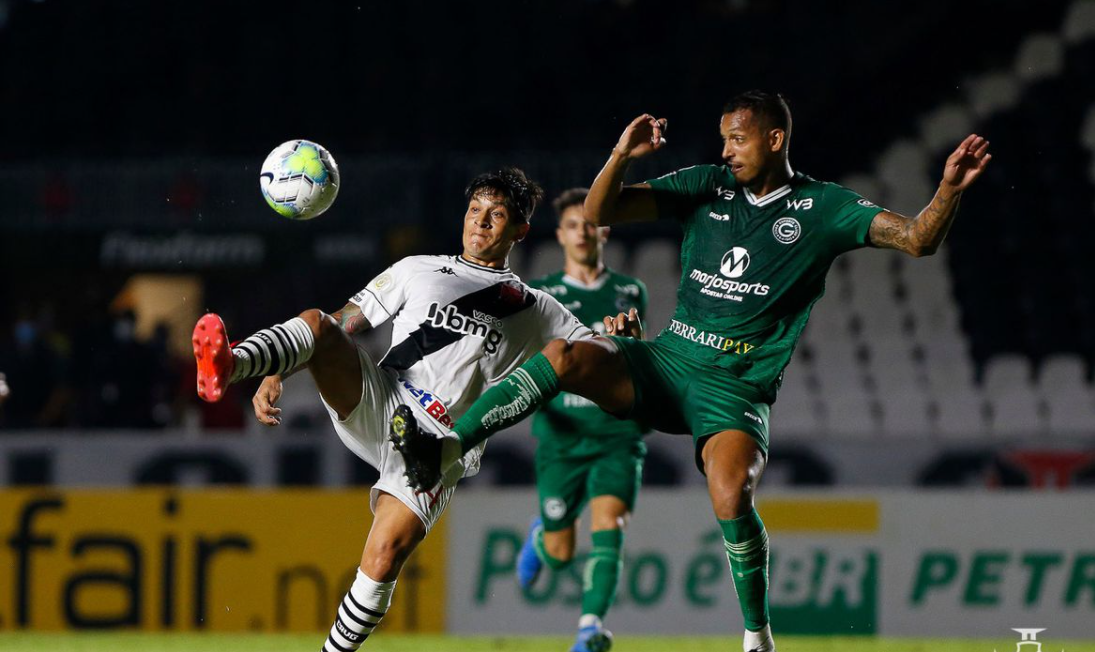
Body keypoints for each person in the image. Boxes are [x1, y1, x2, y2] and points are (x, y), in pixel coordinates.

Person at [390, 91, 992, 652]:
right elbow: (603, 211)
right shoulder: (707, 186)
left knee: (731, 493)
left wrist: (949, 191)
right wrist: (622, 155)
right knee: (564, 358)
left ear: (775, 139)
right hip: (669, 362)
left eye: (737, 139)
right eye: (723, 139)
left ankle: (757, 637)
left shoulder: (823, 207)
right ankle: (443, 449)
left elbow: (917, 240)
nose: (725, 150)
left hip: (734, 389)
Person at [191, 168, 635, 652]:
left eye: (497, 215)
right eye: (474, 211)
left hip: (436, 444)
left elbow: (591, 348)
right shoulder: (416, 268)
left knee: (384, 555)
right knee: (317, 324)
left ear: (519, 231)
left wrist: (617, 338)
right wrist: (279, 368)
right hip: (383, 400)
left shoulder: (537, 308)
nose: (480, 223)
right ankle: (231, 363)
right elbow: (344, 322)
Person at [515, 188, 649, 652]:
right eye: (573, 225)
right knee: (560, 554)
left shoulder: (631, 292)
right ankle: (542, 534)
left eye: (590, 224)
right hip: (562, 437)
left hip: (616, 434)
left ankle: (590, 627)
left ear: (604, 230)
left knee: (611, 527)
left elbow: (636, 360)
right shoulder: (543, 294)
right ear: (560, 235)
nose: (582, 232)